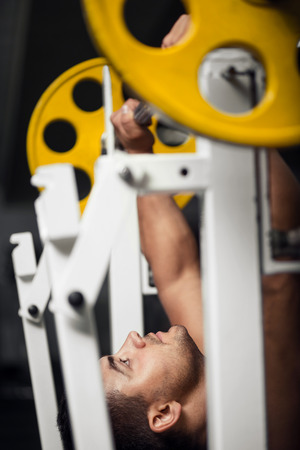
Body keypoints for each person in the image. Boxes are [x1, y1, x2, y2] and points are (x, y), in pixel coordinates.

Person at [57, 15, 300, 450]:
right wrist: (219, 83)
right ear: (164, 414)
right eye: (125, 363)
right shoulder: (265, 433)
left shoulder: (220, 376)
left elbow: (176, 272)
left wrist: (137, 150)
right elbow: (279, 265)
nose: (131, 339)